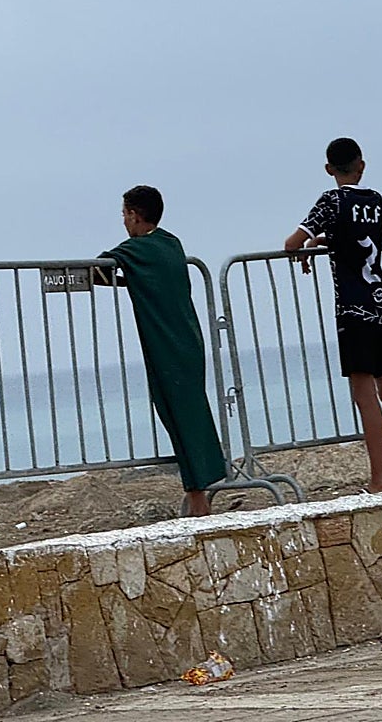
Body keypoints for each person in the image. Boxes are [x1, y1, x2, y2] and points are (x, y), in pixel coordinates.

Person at [283, 138, 382, 493]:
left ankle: (379, 478)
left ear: (329, 169)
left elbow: (291, 242)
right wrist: (324, 240)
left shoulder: (331, 200)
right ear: (362, 165)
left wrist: (310, 243)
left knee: (363, 391)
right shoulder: (375, 200)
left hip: (353, 305)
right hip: (381, 298)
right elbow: (356, 236)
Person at [95, 186, 227, 516]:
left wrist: (123, 280)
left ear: (134, 215)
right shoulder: (171, 243)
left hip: (165, 343)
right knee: (192, 410)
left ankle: (198, 498)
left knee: (177, 414)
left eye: (124, 214)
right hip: (188, 337)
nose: (123, 221)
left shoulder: (136, 249)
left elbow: (97, 269)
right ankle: (201, 489)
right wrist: (133, 282)